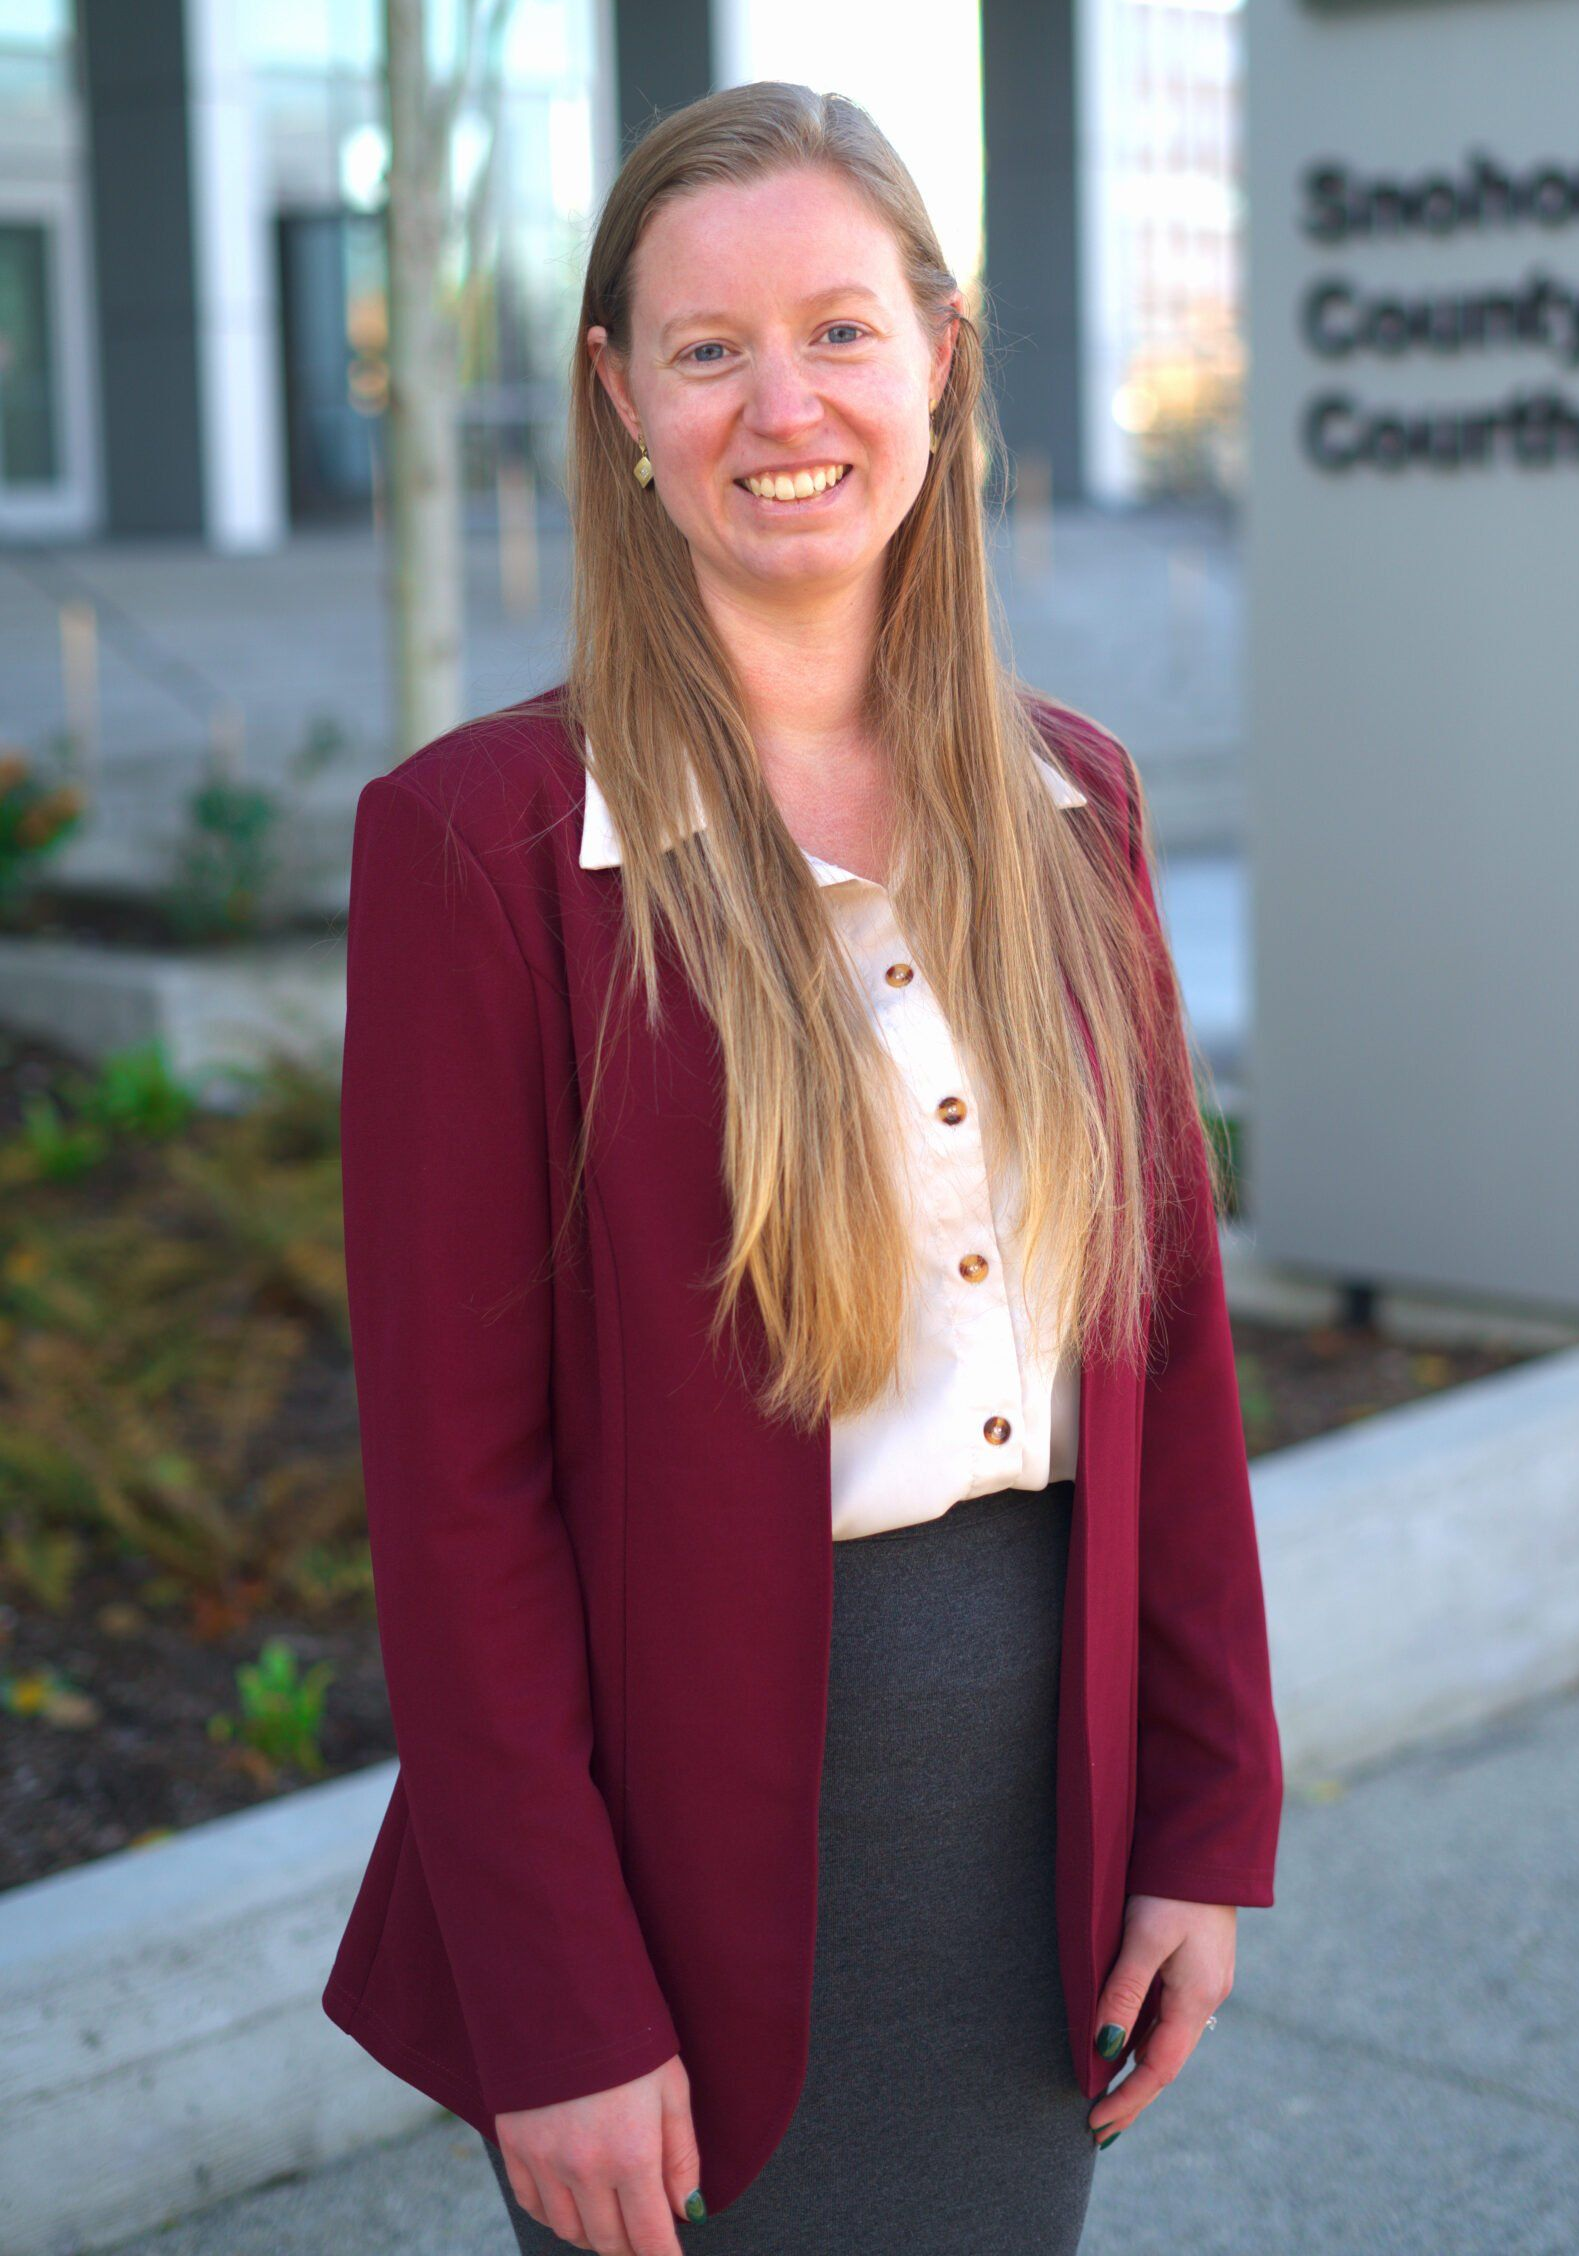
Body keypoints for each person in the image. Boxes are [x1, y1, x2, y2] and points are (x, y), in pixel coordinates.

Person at [321, 80, 1283, 2256]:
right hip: (680, 1836)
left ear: (942, 357)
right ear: (616, 396)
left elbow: (1178, 1344)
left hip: (1041, 1810)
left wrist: (1210, 1817)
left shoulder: (1076, 804)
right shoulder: (482, 849)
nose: (786, 404)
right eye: (706, 346)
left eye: (842, 330)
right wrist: (557, 2005)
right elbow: (452, 1493)